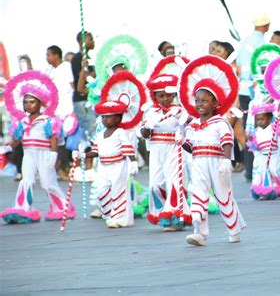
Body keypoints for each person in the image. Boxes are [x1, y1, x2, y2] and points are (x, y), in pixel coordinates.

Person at [179, 59, 246, 245]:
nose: (200, 104)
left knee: (223, 196)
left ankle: (233, 230)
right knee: (198, 193)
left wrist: (226, 161)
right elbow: (190, 148)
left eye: (205, 101)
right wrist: (181, 139)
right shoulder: (192, 124)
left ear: (215, 103)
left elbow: (227, 142)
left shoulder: (221, 123)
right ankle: (199, 232)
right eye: (197, 100)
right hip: (199, 163)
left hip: (217, 163)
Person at [0, 87, 76, 223]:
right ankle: (22, 209)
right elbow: (17, 140)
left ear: (40, 103)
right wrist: (6, 148)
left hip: (44, 154)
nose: (28, 105)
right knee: (26, 181)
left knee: (48, 183)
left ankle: (61, 208)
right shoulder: (21, 122)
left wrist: (53, 155)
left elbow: (53, 139)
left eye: (32, 102)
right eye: (25, 102)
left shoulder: (48, 121)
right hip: (28, 154)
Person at [75, 100, 138, 228]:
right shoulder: (100, 135)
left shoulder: (120, 132)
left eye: (108, 116)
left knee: (118, 192)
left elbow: (128, 149)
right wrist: (82, 155)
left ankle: (120, 218)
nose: (105, 119)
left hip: (118, 165)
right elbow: (95, 152)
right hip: (103, 167)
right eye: (103, 116)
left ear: (118, 118)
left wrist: (133, 163)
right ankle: (110, 215)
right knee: (101, 191)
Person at [141, 74, 191, 230]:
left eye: (169, 95)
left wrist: (185, 119)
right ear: (155, 96)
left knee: (173, 183)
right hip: (156, 151)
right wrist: (147, 127)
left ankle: (176, 217)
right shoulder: (150, 112)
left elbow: (189, 125)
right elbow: (144, 134)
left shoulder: (180, 110)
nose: (166, 98)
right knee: (155, 185)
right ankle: (163, 213)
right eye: (161, 95)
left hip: (174, 150)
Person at [236, 13, 271, 181]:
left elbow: (240, 65)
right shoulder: (263, 43)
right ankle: (262, 170)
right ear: (266, 26)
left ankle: (250, 170)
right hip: (259, 91)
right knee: (263, 129)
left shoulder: (244, 41)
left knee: (248, 128)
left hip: (244, 91)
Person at [45, 45, 74, 181]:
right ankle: (60, 169)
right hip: (55, 110)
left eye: (48, 55)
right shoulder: (51, 70)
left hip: (68, 108)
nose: (47, 58)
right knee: (58, 140)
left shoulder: (66, 67)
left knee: (68, 140)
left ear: (56, 55)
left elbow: (72, 85)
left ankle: (66, 168)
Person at [248, 103, 280, 200]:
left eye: (262, 119)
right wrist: (251, 140)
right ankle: (265, 192)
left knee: (275, 172)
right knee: (262, 174)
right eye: (258, 120)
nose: (260, 122)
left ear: (269, 119)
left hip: (274, 155)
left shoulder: (273, 127)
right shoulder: (256, 131)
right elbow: (256, 147)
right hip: (262, 157)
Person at [71, 31, 96, 141]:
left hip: (89, 99)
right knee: (90, 128)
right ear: (82, 42)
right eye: (90, 39)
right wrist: (97, 72)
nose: (93, 41)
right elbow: (85, 79)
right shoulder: (77, 59)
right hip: (82, 100)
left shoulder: (88, 58)